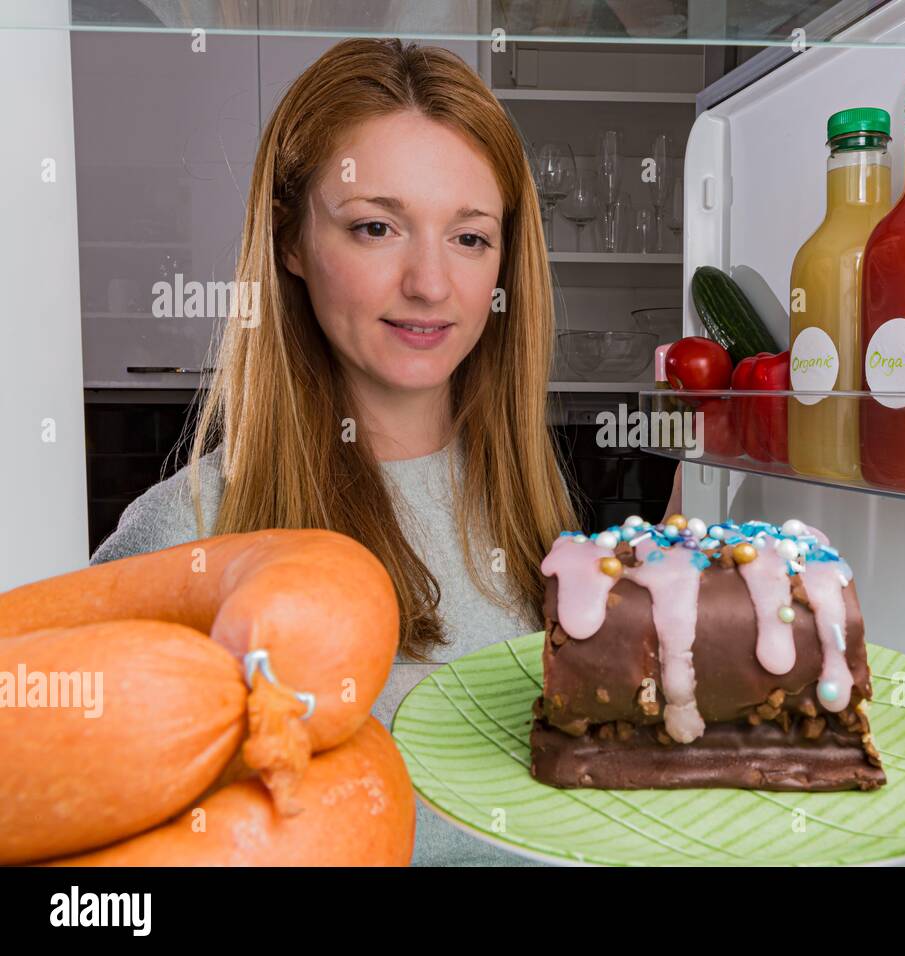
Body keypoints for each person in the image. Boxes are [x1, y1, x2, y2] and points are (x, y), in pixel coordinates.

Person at [92, 37, 679, 865]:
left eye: (470, 238)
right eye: (376, 227)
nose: (431, 284)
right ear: (292, 242)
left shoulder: (541, 525)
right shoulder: (184, 536)